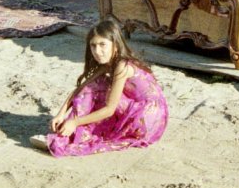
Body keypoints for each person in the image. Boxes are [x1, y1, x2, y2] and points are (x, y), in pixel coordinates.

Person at [31, 17, 168, 157]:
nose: (97, 51)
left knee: (97, 90)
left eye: (103, 44)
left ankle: (67, 137)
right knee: (93, 86)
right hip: (145, 113)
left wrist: (75, 122)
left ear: (115, 45)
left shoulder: (123, 66)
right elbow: (81, 88)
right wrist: (60, 114)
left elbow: (109, 110)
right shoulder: (108, 64)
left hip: (146, 118)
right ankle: (70, 131)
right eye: (93, 45)